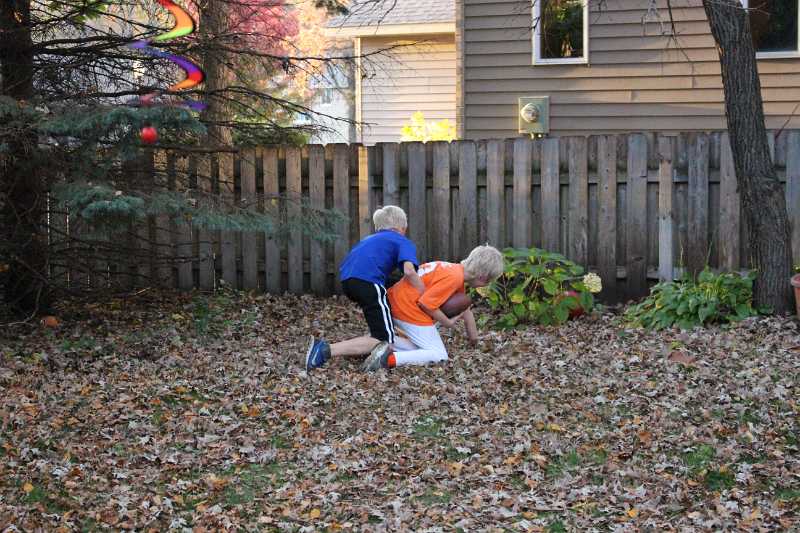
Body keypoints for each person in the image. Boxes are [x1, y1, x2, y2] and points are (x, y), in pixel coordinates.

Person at [304, 206, 424, 370]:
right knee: (383, 339)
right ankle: (325, 350)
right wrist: (424, 293)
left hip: (348, 281)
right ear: (402, 228)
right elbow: (409, 271)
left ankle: (367, 345)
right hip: (369, 281)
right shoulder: (401, 240)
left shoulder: (369, 239)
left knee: (383, 319)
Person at [361, 245, 504, 371]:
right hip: (407, 309)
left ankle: (380, 342)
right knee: (439, 354)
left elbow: (466, 311)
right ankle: (386, 360)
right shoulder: (454, 278)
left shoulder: (452, 269)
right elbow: (426, 304)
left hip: (396, 301)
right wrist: (447, 322)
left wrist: (474, 339)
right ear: (483, 277)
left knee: (419, 349)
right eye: (489, 281)